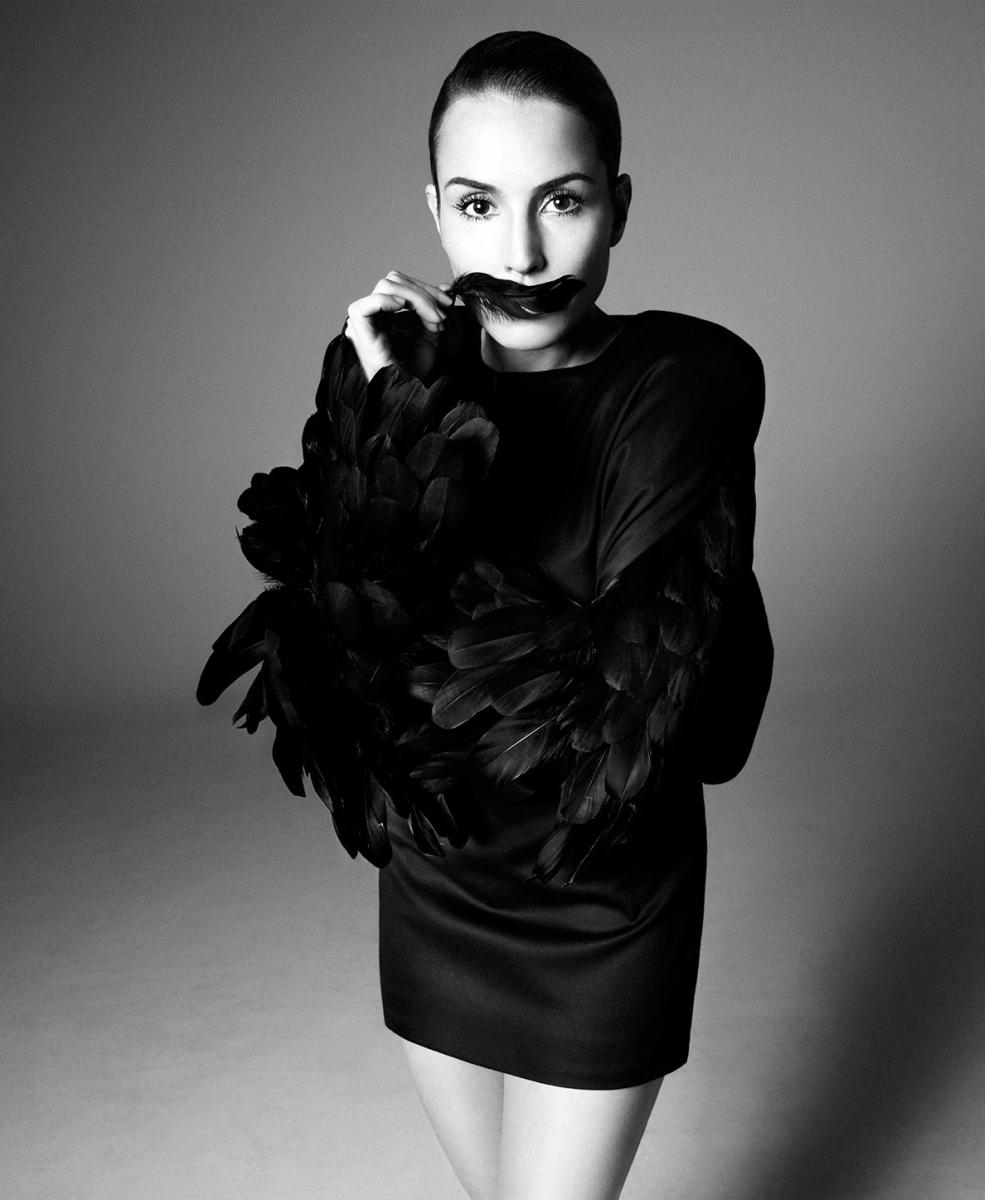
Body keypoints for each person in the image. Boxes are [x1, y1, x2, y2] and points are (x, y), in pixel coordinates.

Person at [198, 29, 771, 1200]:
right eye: (477, 204)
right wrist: (394, 414)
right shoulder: (397, 374)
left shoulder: (687, 381)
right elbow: (341, 669)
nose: (519, 252)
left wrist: (407, 456)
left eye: (562, 201)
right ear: (435, 211)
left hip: (603, 887)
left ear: (618, 205)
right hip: (439, 881)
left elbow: (608, 706)